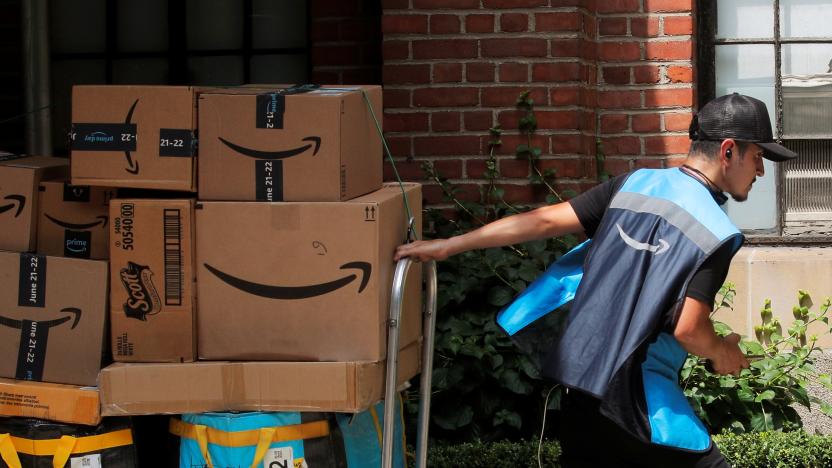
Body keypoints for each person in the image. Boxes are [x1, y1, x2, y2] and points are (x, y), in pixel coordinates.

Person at [394, 93, 798, 467]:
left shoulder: (633, 185)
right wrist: (722, 353)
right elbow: (689, 328)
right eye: (759, 156)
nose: (761, 171)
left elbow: (543, 220)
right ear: (729, 150)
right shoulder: (715, 231)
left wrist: (451, 244)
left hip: (581, 395)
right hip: (638, 403)